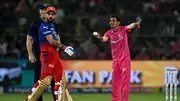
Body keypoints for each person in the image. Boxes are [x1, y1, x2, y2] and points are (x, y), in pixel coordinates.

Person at [25, 6, 74, 101]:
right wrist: (64, 48)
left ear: (55, 16)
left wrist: (60, 49)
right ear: (45, 14)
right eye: (49, 14)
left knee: (61, 82)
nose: (51, 16)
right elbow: (51, 41)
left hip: (55, 55)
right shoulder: (43, 26)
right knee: (44, 82)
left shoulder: (52, 26)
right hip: (47, 56)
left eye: (53, 14)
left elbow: (57, 40)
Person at [93, 14, 141, 101]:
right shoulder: (108, 33)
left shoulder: (123, 29)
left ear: (118, 23)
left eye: (113, 21)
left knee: (125, 83)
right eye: (110, 21)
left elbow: (130, 25)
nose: (111, 22)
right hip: (115, 61)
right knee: (115, 83)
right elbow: (104, 39)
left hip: (124, 59)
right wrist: (99, 37)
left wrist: (136, 23)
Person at [26, 4, 56, 101]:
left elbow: (57, 39)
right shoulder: (35, 24)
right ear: (39, 11)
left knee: (53, 80)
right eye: (42, 9)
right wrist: (30, 54)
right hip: (39, 55)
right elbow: (29, 40)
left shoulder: (53, 24)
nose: (43, 11)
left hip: (51, 56)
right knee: (38, 80)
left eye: (45, 10)